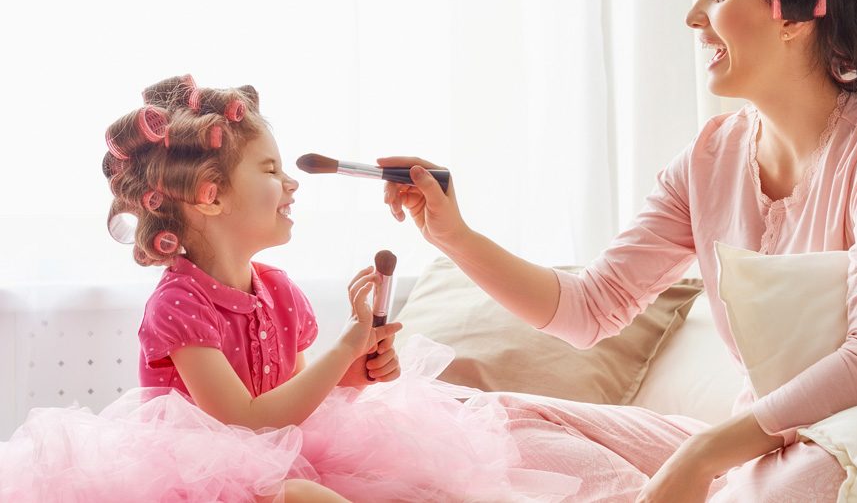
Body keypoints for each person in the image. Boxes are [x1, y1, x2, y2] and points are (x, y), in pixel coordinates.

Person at [379, 0, 857, 501]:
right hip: (741, 454)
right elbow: (589, 308)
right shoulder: (708, 159)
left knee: (805, 479)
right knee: (479, 419)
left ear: (790, 17)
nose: (694, 17)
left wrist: (704, 454)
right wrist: (455, 236)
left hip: (843, 447)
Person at [0, 75, 588, 502]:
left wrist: (354, 373)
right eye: (269, 171)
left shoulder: (278, 291)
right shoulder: (178, 304)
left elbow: (300, 409)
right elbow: (245, 423)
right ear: (210, 196)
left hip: (279, 462)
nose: (290, 184)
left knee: (419, 490)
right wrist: (341, 350)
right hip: (200, 482)